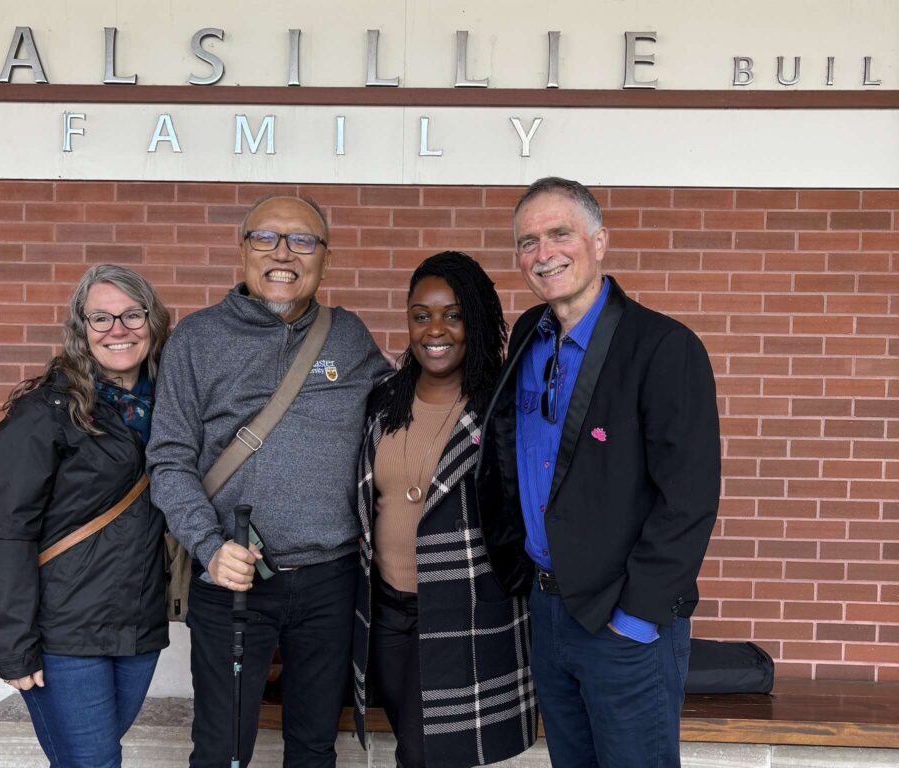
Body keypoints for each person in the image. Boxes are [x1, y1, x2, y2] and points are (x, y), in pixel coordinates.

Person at [476, 177, 721, 768]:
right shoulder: (530, 341)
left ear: (599, 241)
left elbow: (688, 498)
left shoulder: (663, 346)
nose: (544, 252)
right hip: (549, 612)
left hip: (624, 621)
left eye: (560, 233)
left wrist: (634, 620)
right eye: (527, 241)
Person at [147, 195, 392, 768]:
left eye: (302, 240)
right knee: (220, 749)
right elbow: (169, 459)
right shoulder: (197, 339)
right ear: (243, 251)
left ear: (325, 260)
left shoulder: (349, 337)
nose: (284, 253)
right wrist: (209, 548)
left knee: (312, 747)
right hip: (232, 579)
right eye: (266, 238)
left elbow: (400, 413)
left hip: (331, 580)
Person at [352, 251, 538, 768]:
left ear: (475, 320)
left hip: (467, 609)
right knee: (418, 748)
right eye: (421, 314)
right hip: (387, 611)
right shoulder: (383, 398)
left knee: (426, 754)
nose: (436, 329)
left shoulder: (504, 402)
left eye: (452, 314)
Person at [0, 264, 171, 767]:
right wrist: (15, 644)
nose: (118, 330)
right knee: (96, 762)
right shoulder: (45, 411)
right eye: (101, 318)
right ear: (81, 328)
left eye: (133, 314)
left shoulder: (174, 406)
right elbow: (9, 533)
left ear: (154, 321)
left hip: (139, 624)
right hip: (64, 629)